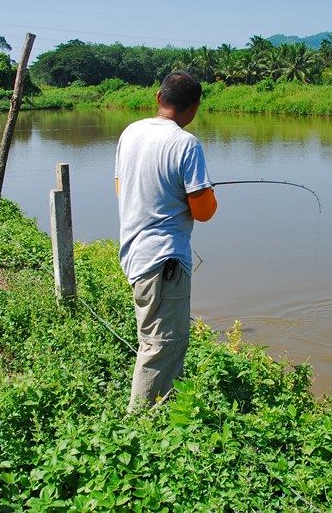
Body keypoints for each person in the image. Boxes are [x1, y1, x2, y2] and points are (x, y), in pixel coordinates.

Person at [115, 71, 218, 410]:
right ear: (194, 109)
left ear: (159, 98)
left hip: (135, 254)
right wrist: (208, 194)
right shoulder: (185, 144)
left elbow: (121, 188)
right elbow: (204, 211)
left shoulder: (131, 132)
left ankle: (158, 415)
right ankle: (142, 425)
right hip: (164, 261)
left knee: (153, 339)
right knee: (164, 344)